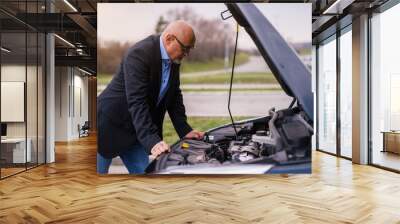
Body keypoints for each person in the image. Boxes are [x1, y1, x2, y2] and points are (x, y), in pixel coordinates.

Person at [97, 20, 204, 174]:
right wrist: (152, 141)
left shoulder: (174, 59)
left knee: (147, 177)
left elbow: (174, 96)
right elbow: (137, 101)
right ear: (169, 39)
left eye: (189, 49)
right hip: (109, 127)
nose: (186, 54)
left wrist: (184, 130)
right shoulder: (139, 54)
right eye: (185, 48)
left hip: (137, 132)